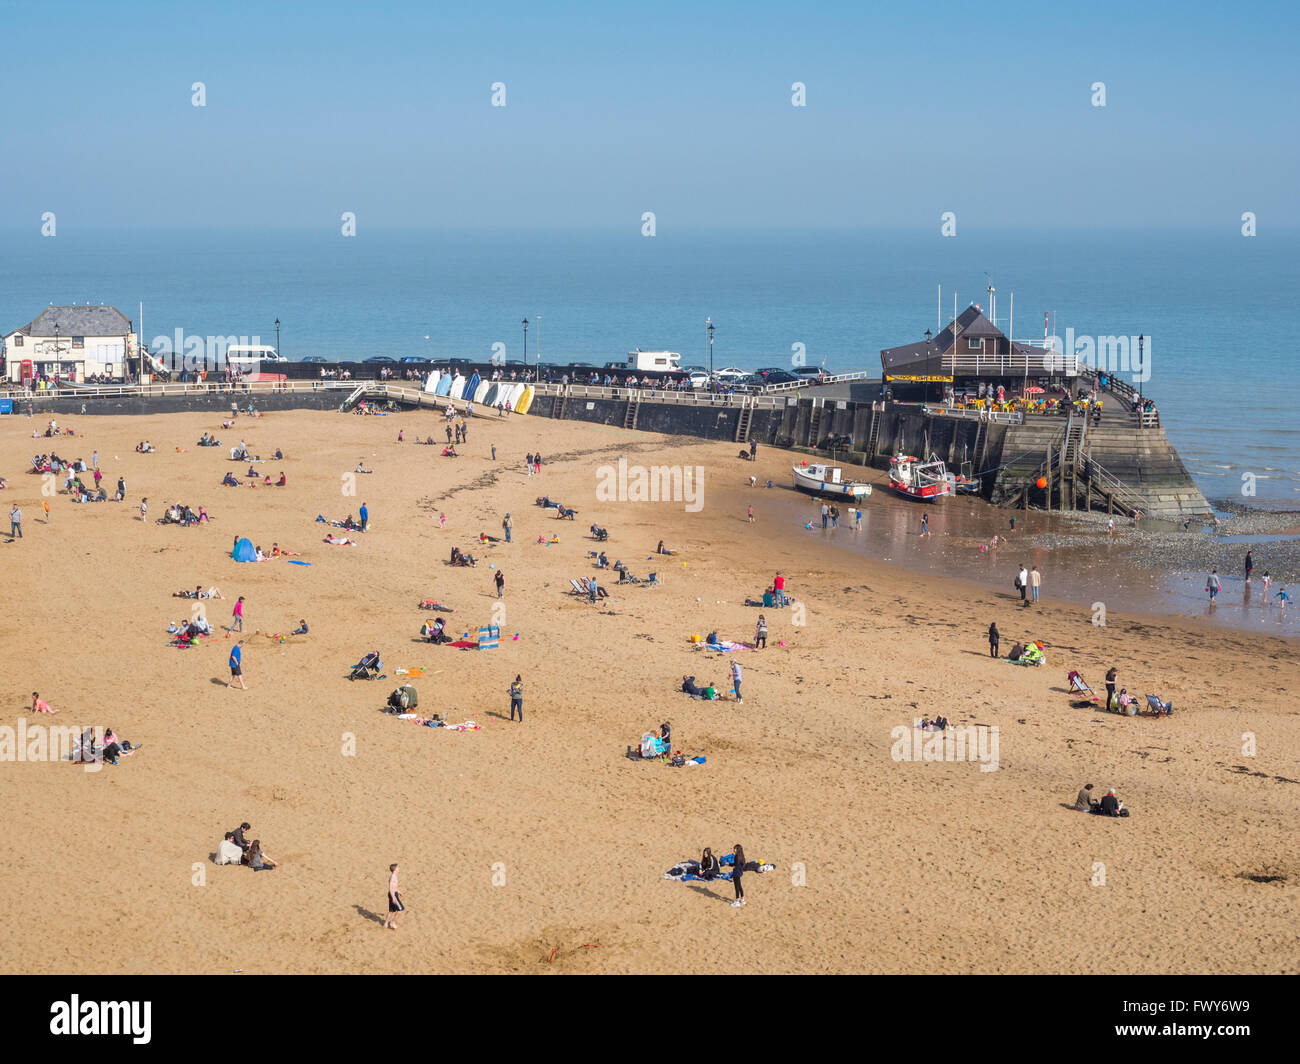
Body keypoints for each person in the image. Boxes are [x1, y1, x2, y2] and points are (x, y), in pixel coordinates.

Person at [384, 863, 403, 929]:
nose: (399, 868)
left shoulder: (394, 876)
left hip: (394, 893)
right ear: (395, 869)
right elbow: (390, 888)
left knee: (391, 911)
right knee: (400, 910)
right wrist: (393, 898)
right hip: (393, 895)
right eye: (398, 867)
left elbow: (394, 886)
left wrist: (398, 891)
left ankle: (386, 923)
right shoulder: (392, 877)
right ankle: (392, 922)